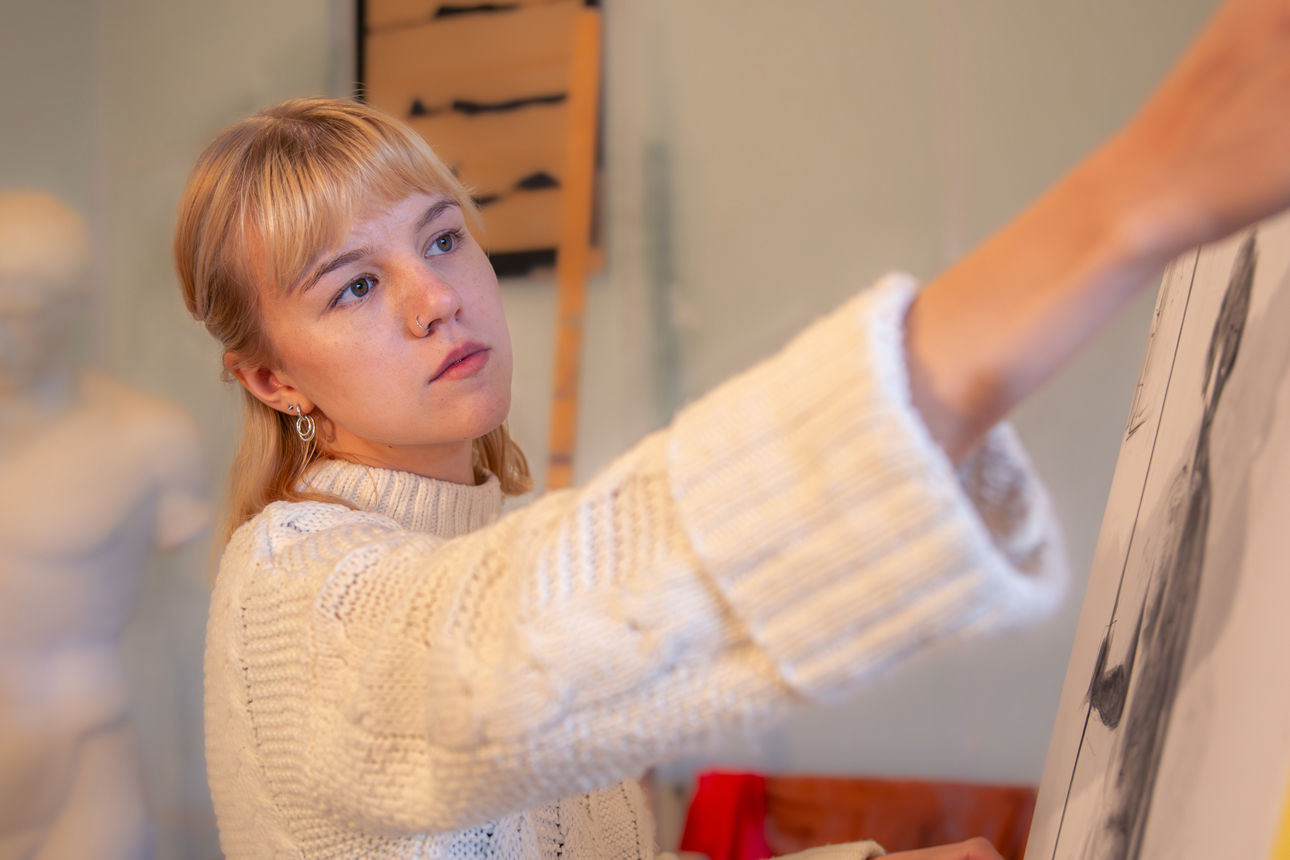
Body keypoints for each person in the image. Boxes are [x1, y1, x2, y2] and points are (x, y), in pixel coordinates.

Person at [174, 0, 1290, 856]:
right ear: (271, 379)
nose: (436, 297)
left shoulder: (481, 535)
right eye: (354, 287)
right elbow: (519, 638)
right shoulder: (293, 595)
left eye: (443, 237)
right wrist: (1129, 203)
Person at [0, 191, 209, 859]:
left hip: (85, 744)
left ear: (71, 306)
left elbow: (194, 626)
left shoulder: (145, 438)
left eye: (26, 312)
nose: (6, 336)